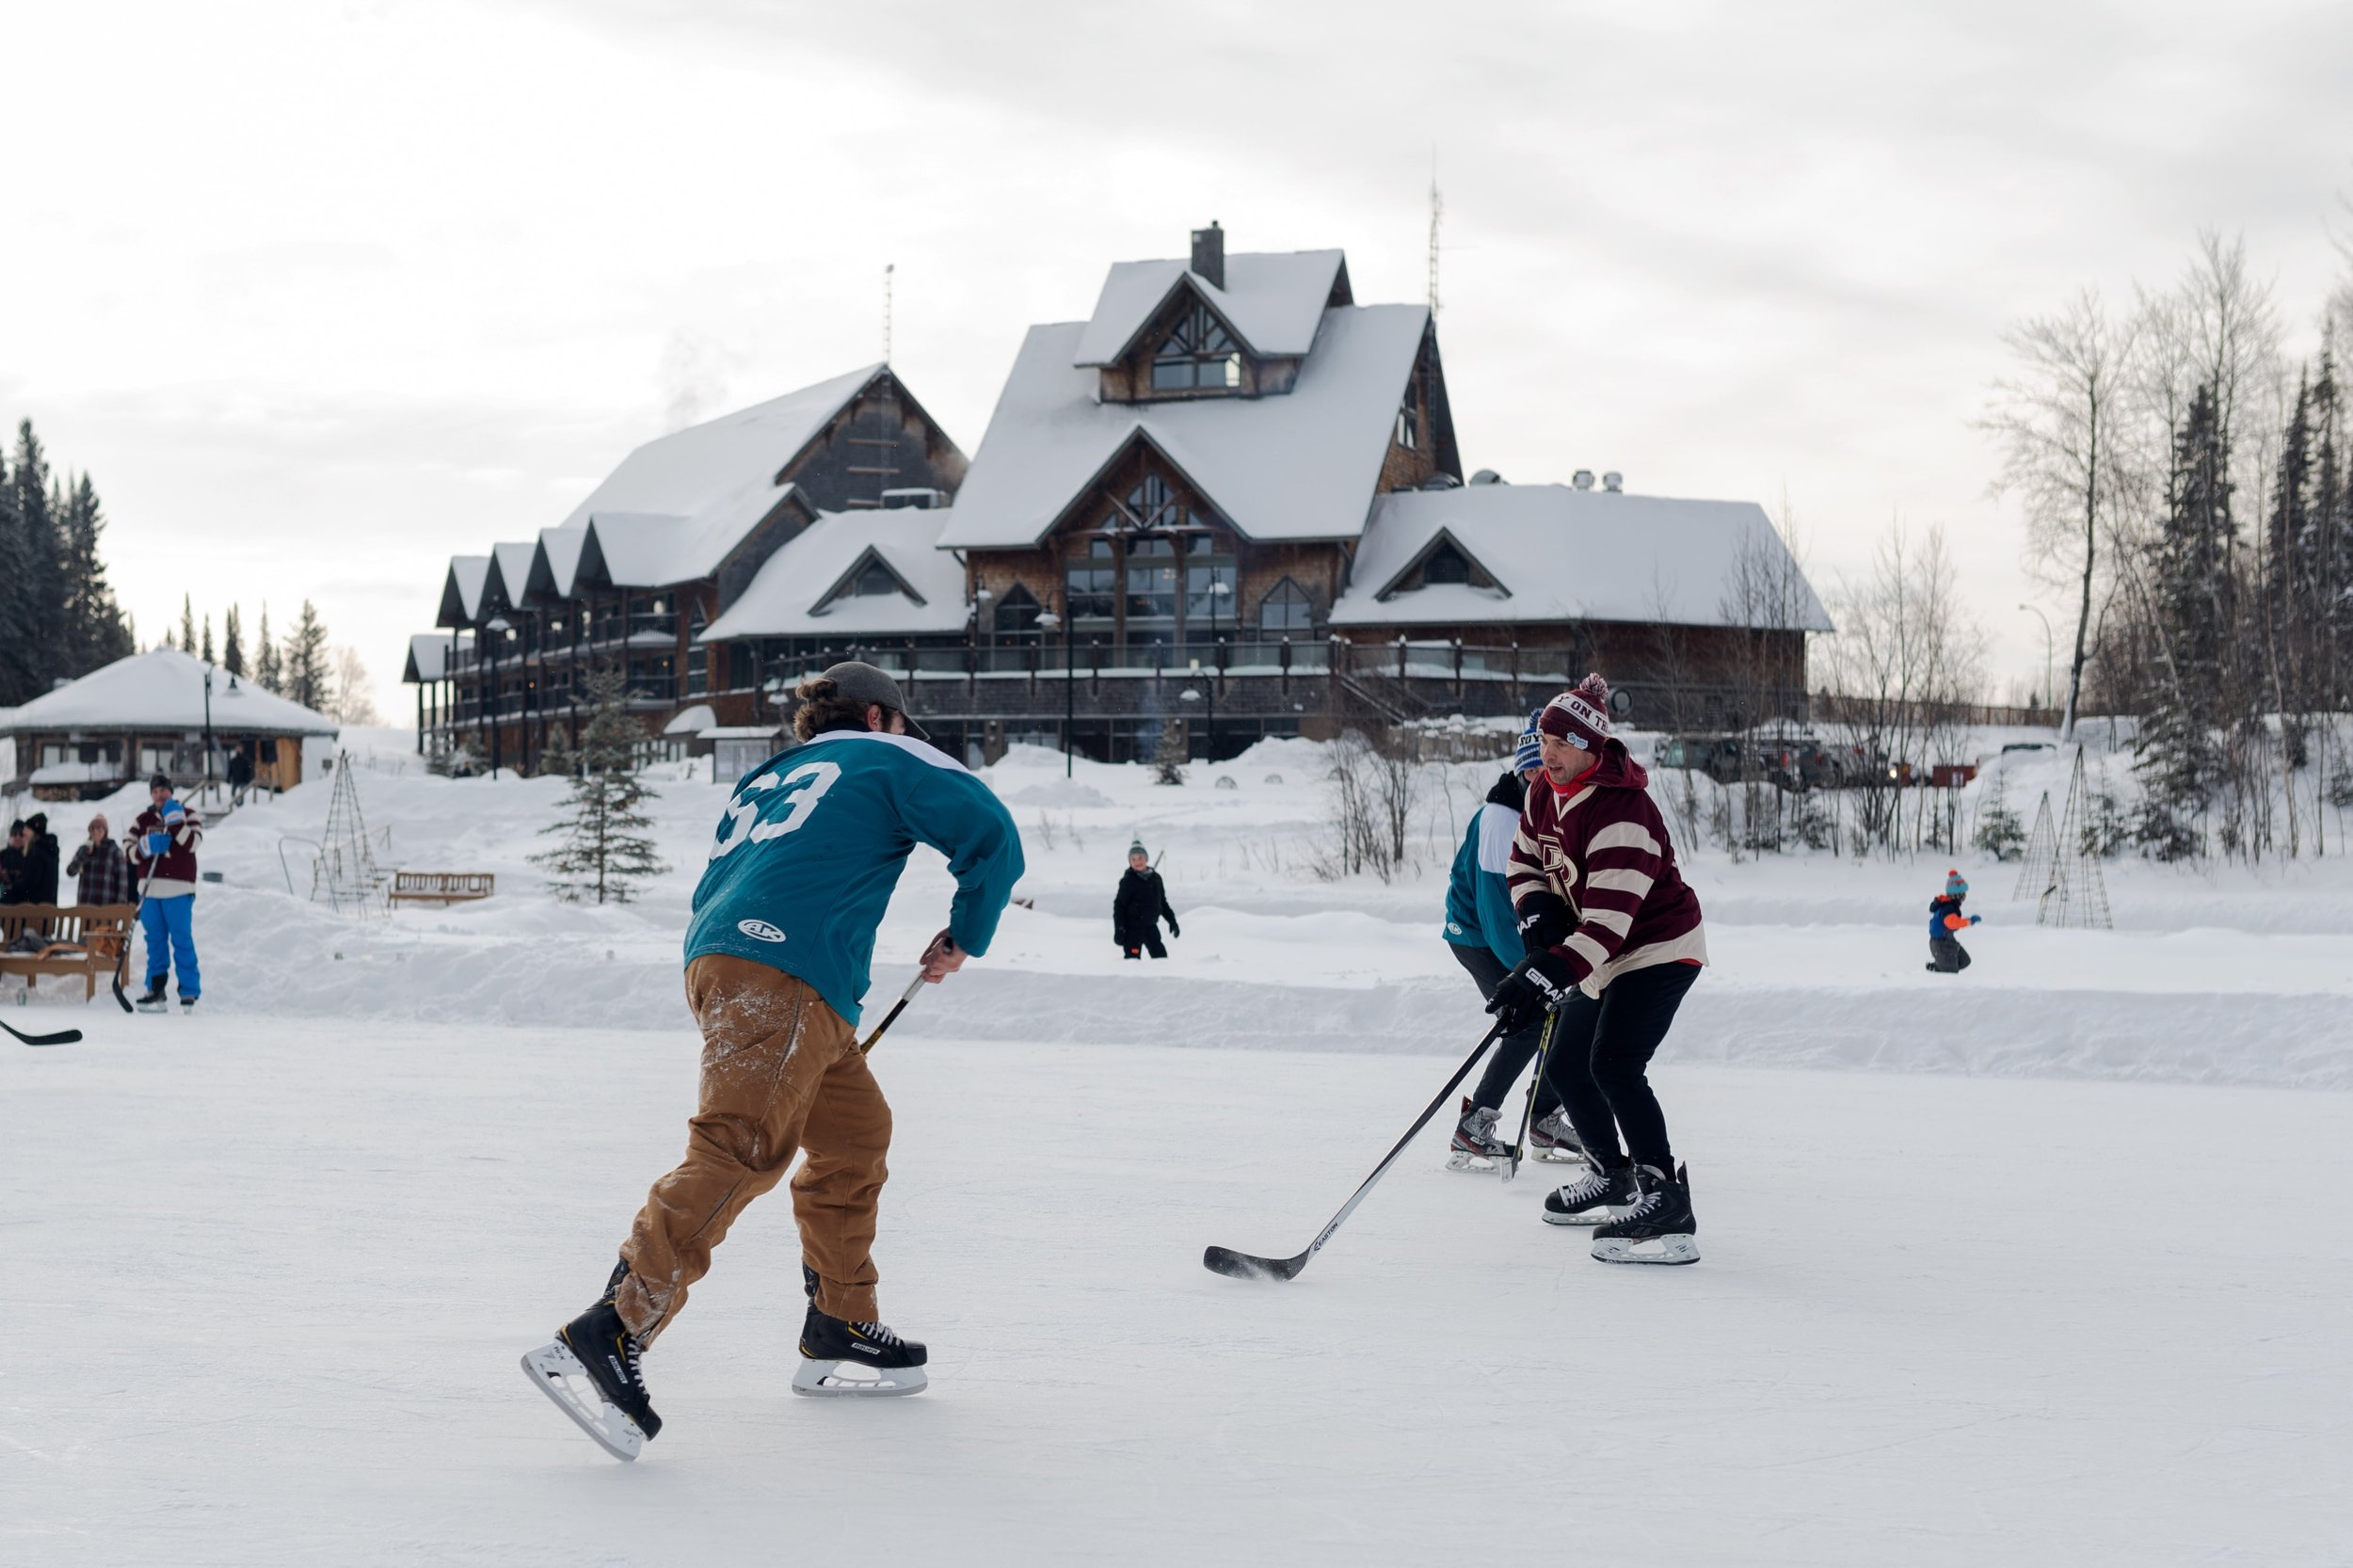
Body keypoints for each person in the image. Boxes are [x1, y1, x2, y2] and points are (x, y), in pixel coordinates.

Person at [523, 661, 1024, 1462]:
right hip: (784, 977)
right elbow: (991, 834)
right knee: (742, 1147)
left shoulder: (773, 773)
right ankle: (615, 1327)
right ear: (876, 714)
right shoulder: (887, 752)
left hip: (737, 966)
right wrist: (967, 932)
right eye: (902, 722)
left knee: (856, 1135)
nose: (907, 736)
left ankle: (838, 1321)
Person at [1490, 674, 1708, 1265]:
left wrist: (1542, 974)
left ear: (1589, 747)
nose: (1547, 753)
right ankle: (1612, 1175)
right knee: (1563, 1064)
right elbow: (1524, 863)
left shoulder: (1623, 813)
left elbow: (1610, 924)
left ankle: (1666, 1201)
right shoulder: (1543, 792)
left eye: (1558, 743)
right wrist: (1538, 925)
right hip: (1601, 949)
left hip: (1657, 947)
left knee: (1614, 1062)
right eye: (1543, 739)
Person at [1442, 711, 1583, 1172]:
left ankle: (1543, 1117)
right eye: (1534, 769)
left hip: (1512, 934)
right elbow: (1496, 915)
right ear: (1523, 770)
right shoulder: (1501, 819)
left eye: (1548, 766)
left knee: (1564, 1019)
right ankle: (1474, 1128)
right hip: (1479, 936)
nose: (1543, 775)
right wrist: (1535, 969)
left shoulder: (1540, 808)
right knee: (1527, 1021)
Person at [127, 774, 204, 1012]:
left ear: (171, 792)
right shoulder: (143, 819)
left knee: (181, 939)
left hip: (179, 888)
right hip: (150, 890)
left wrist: (176, 823)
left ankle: (189, 991)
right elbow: (128, 852)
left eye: (164, 791)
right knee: (155, 942)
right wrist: (145, 846)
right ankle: (156, 990)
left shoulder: (187, 814)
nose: (160, 795)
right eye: (155, 791)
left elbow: (193, 844)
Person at [1112, 840, 1178, 959]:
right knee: (1132, 961)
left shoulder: (1156, 879)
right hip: (1132, 930)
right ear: (1129, 862)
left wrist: (1172, 922)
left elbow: (1162, 903)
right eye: (1133, 859)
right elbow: (1119, 906)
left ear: (1146, 859)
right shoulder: (1128, 881)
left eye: (1140, 858)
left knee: (1161, 958)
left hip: (1151, 927)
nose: (1137, 861)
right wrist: (1119, 929)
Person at [68, 815, 135, 907]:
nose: (95, 831)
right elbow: (70, 872)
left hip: (106, 906)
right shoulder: (83, 849)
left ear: (105, 831)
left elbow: (122, 882)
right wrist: (83, 855)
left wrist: (120, 907)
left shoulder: (114, 851)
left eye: (99, 828)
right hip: (85, 905)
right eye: (92, 828)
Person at [1927, 869, 1982, 973]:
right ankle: (1933, 974)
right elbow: (1952, 923)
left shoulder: (1949, 905)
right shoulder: (1947, 908)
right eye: (1963, 894)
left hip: (1948, 941)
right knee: (1949, 973)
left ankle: (1937, 967)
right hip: (1941, 945)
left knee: (1964, 961)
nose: (1964, 896)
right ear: (1956, 894)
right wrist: (1969, 921)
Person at [0, 820, 30, 905]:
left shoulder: (31, 857)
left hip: (25, 906)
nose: (17, 837)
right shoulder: (2, 855)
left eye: (21, 834)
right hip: (4, 906)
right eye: (14, 833)